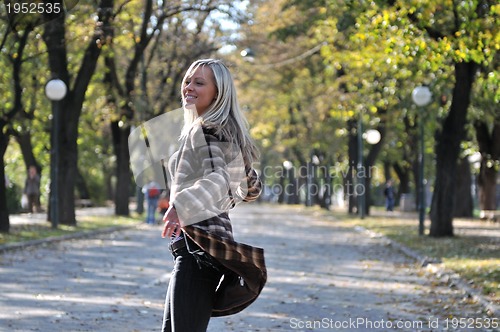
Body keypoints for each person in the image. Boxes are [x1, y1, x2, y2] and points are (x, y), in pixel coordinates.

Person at [161, 59, 266, 331]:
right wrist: (240, 167)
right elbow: (249, 188)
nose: (189, 87)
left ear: (218, 93)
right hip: (195, 247)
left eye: (199, 82)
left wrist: (180, 206)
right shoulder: (213, 130)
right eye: (187, 80)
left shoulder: (209, 129)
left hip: (200, 247)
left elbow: (221, 181)